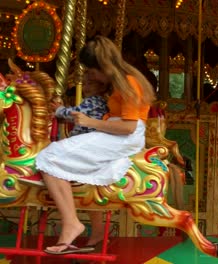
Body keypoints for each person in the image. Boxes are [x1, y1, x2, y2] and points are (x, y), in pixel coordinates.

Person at [19, 36, 156, 254]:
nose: (90, 75)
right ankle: (97, 231)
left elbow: (129, 127)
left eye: (92, 71)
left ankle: (72, 222)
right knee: (60, 156)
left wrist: (90, 122)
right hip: (114, 132)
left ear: (103, 66)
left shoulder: (130, 83)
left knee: (48, 157)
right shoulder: (122, 83)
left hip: (122, 135)